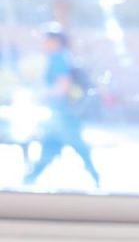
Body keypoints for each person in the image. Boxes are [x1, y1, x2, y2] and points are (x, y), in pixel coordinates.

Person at [23, 26, 100, 188]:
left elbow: (62, 86)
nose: (43, 44)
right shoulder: (62, 58)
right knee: (50, 148)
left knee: (77, 147)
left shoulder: (58, 59)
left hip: (63, 115)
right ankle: (28, 181)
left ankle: (96, 179)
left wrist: (41, 95)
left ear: (56, 42)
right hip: (59, 115)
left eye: (46, 40)